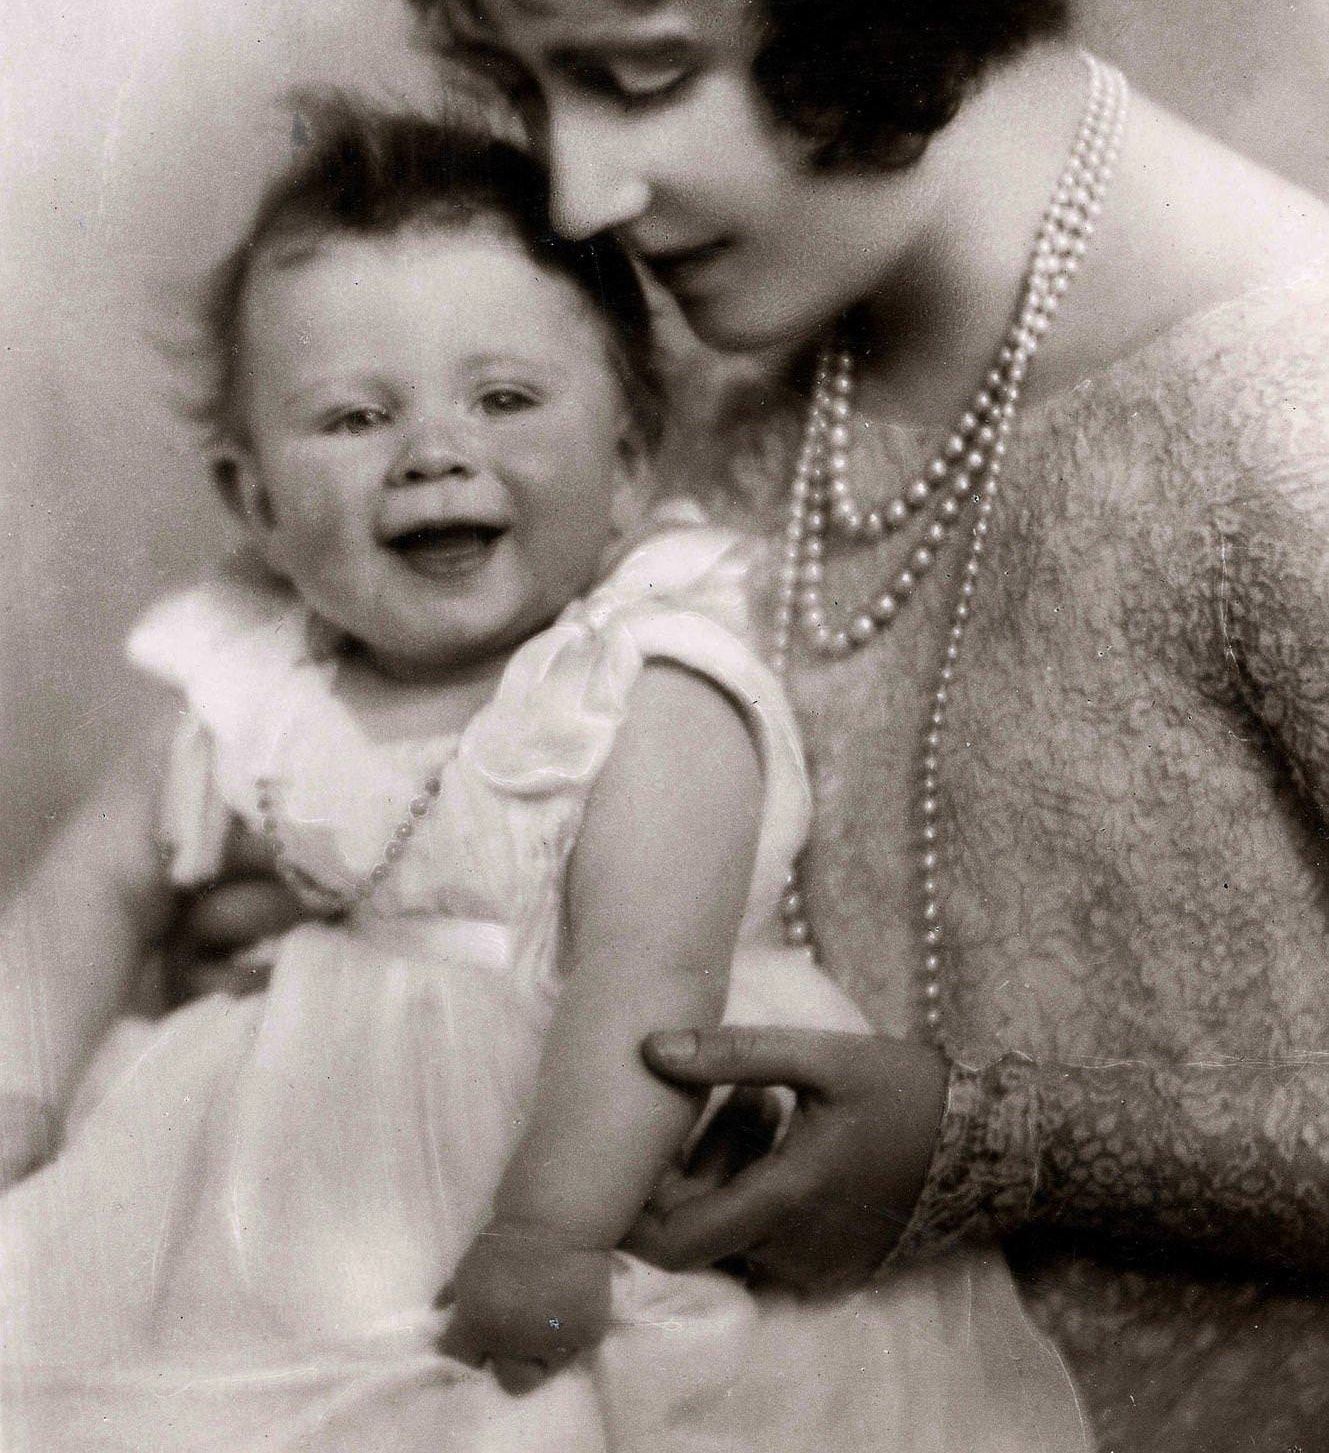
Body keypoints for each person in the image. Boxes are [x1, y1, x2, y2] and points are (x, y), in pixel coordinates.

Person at [0, 94, 1086, 1452]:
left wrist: (550, 1230)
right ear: (256, 503)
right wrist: (22, 1088)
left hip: (586, 1157)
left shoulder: (643, 680)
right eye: (351, 417)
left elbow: (649, 973)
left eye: (503, 398)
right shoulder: (248, 686)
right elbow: (81, 892)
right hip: (280, 1184)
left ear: (629, 464)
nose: (434, 451)